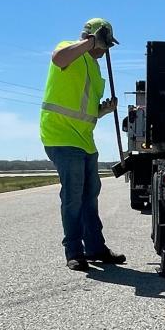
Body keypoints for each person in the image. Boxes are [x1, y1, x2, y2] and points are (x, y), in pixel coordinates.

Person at [41, 18, 126, 271]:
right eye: (104, 43)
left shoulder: (95, 67)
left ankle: (96, 248)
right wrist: (89, 42)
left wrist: (103, 110)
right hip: (61, 136)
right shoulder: (70, 49)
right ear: (92, 38)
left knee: (90, 196)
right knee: (73, 196)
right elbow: (58, 58)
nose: (105, 50)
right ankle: (74, 252)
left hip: (84, 140)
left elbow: (83, 109)